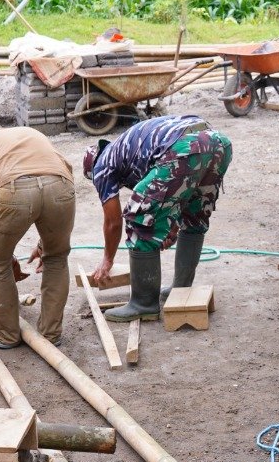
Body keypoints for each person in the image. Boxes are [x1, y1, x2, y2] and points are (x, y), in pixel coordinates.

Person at [83, 114, 233, 322]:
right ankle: (181, 290)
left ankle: (143, 303)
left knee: (138, 217)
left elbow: (113, 221)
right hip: (216, 141)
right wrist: (169, 228)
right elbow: (176, 194)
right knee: (193, 215)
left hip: (183, 147)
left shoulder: (102, 165)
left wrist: (107, 259)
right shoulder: (129, 152)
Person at [0, 116, 76, 348]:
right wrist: (45, 245)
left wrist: (4, 255)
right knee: (57, 258)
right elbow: (65, 169)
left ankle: (7, 335)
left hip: (11, 189)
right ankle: (50, 335)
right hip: (61, 185)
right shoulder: (26, 133)